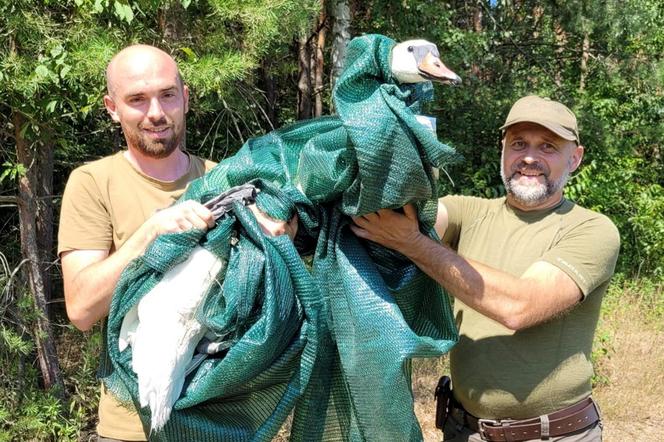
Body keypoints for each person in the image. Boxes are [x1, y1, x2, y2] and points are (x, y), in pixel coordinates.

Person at [58, 44, 295, 441]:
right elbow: (81, 308)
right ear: (112, 107)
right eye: (137, 99)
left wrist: (279, 242)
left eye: (167, 95)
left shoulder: (227, 181)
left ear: (185, 99)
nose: (155, 112)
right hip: (133, 427)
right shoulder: (94, 183)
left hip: (224, 424)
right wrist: (151, 232)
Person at [350, 95, 620, 441]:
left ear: (575, 158)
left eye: (548, 146)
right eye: (518, 143)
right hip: (464, 430)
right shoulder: (469, 213)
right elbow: (396, 218)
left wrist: (414, 244)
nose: (530, 158)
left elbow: (521, 307)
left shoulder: (591, 229)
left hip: (553, 435)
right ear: (503, 150)